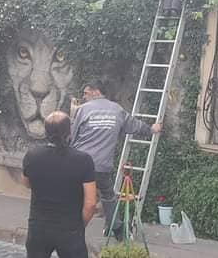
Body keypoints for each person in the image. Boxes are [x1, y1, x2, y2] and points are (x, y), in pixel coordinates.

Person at [71, 79, 162, 238]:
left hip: (79, 163)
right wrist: (152, 129)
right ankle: (117, 228)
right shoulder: (117, 110)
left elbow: (72, 136)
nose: (84, 97)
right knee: (108, 196)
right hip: (101, 165)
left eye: (86, 93)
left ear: (96, 92)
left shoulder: (83, 110)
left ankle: (69, 227)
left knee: (75, 195)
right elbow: (135, 126)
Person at [21, 112, 96, 258]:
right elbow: (91, 203)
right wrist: (80, 225)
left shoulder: (32, 155)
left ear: (46, 132)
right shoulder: (83, 160)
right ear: (69, 131)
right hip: (70, 227)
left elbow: (26, 183)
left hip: (39, 226)